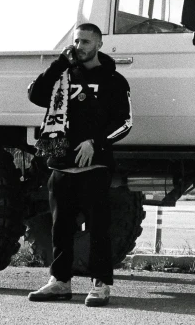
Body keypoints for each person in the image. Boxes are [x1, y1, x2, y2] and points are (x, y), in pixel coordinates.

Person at [26, 23, 132, 306]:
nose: (80, 46)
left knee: (99, 229)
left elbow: (125, 123)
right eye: (76, 41)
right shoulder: (63, 76)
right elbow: (36, 95)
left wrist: (95, 143)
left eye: (86, 41)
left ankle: (101, 284)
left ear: (98, 43)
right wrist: (60, 61)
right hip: (60, 166)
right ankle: (59, 282)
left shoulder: (114, 80)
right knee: (60, 228)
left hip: (94, 167)